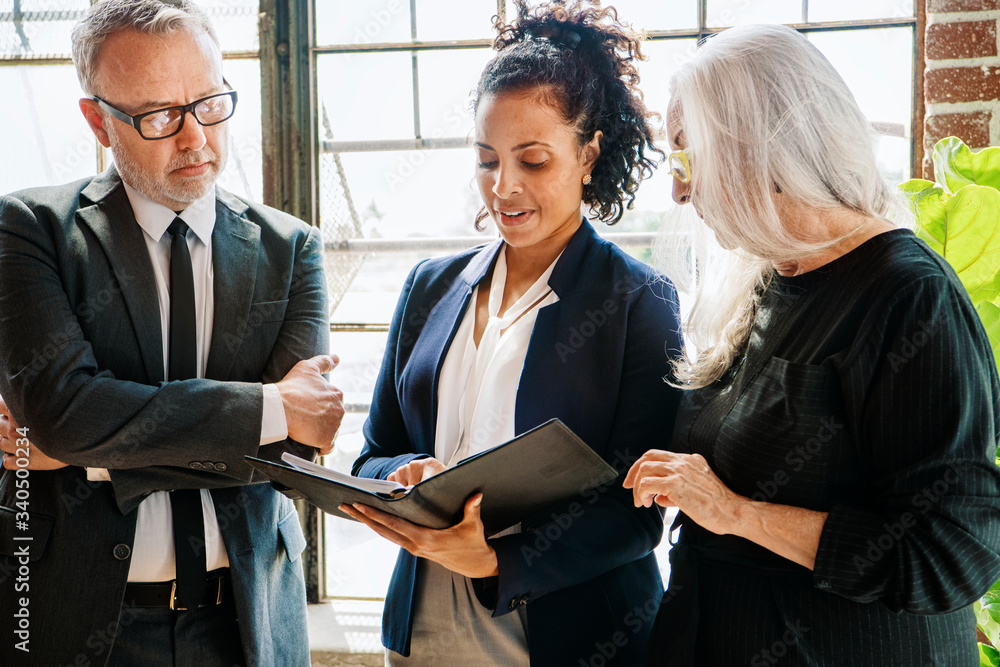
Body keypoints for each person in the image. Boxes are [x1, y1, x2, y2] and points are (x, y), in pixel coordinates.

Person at [624, 23, 1000, 666]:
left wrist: (736, 512)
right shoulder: (770, 280)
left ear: (757, 149)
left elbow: (950, 554)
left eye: (687, 158)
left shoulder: (909, 297)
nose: (678, 190)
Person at [0, 1, 344, 665]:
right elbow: (65, 413)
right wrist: (272, 407)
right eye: (160, 115)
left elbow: (295, 460)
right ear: (98, 120)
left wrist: (89, 454)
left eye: (211, 103)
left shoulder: (292, 248)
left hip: (246, 627)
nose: (196, 139)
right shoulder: (28, 229)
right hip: (79, 622)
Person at [342, 2, 682, 665]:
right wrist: (402, 476)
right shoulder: (429, 287)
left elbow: (639, 513)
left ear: (588, 155)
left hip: (565, 634)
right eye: (486, 159)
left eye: (533, 161)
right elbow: (374, 453)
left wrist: (498, 556)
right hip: (425, 629)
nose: (504, 187)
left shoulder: (640, 301)